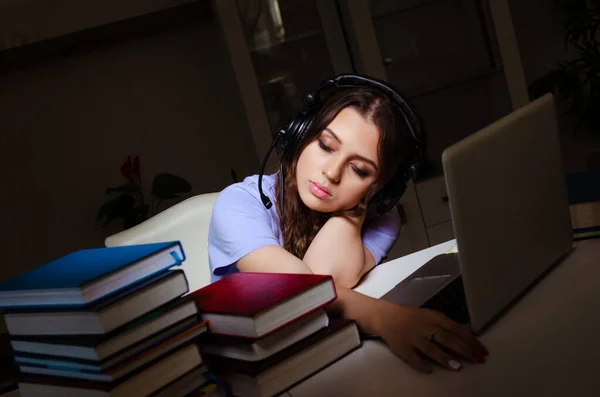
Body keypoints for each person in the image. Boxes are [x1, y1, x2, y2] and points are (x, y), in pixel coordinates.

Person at [207, 74, 489, 373]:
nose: (331, 172)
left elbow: (325, 276)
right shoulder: (238, 204)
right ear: (301, 134)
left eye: (359, 169)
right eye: (326, 146)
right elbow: (305, 291)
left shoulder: (379, 215)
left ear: (381, 190)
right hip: (258, 371)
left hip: (328, 359)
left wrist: (354, 212)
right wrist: (385, 318)